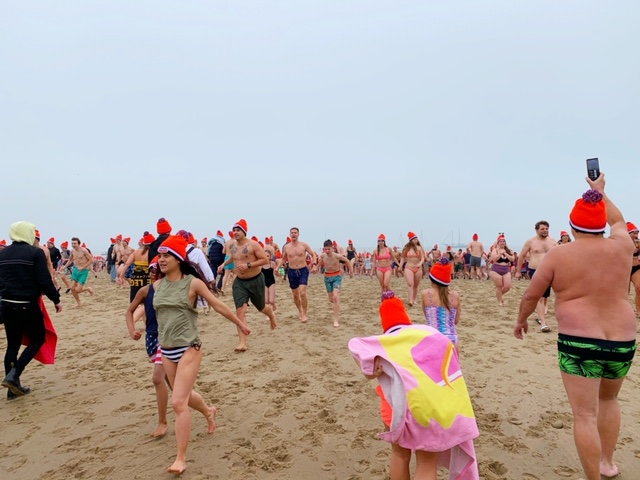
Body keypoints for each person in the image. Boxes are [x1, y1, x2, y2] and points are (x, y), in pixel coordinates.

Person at [514, 173, 636, 480]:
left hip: (579, 342)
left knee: (584, 415)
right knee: (608, 400)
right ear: (601, 224)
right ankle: (607, 463)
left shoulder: (559, 254)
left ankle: (593, 476)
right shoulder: (623, 246)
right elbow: (619, 221)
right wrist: (600, 193)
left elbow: (531, 294)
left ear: (571, 226)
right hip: (622, 341)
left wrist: (521, 320)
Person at [348, 291, 479, 480]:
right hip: (428, 407)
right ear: (405, 317)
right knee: (426, 461)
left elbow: (357, 350)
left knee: (399, 455)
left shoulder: (381, 344)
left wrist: (367, 370)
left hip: (394, 410)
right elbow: (451, 361)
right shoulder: (429, 333)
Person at [153, 234, 250, 475]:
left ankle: (181, 458)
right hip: (166, 350)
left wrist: (240, 323)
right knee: (182, 395)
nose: (161, 260)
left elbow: (218, 305)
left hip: (189, 348)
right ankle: (208, 412)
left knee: (178, 402)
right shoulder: (156, 285)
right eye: (160, 256)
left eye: (166, 256)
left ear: (178, 258)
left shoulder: (193, 284)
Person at [0, 221, 63, 399]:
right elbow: (44, 281)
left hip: (6, 304)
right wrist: (56, 300)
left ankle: (12, 390)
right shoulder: (34, 253)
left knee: (12, 344)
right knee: (38, 339)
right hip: (27, 304)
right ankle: (14, 375)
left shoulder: (2, 254)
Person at [125, 256, 169, 438]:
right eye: (151, 271)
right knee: (175, 387)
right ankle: (207, 411)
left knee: (157, 379)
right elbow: (129, 311)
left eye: (156, 270)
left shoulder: (173, 289)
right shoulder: (145, 291)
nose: (153, 274)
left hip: (168, 340)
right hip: (151, 340)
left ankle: (162, 423)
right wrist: (132, 330)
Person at [218, 219, 277, 351]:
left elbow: (265, 260)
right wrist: (224, 264)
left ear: (244, 231)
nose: (235, 233)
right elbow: (233, 257)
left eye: (238, 230)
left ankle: (271, 315)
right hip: (239, 282)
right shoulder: (232, 246)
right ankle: (242, 342)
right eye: (234, 230)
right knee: (240, 311)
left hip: (255, 280)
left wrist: (249, 265)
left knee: (261, 307)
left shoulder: (253, 245)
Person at [515, 221, 557, 332]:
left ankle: (540, 316)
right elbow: (522, 256)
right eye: (543, 229)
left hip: (550, 271)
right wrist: (518, 271)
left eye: (547, 228)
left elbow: (559, 255)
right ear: (537, 230)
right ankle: (543, 322)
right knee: (539, 297)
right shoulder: (531, 242)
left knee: (544, 298)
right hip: (535, 270)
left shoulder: (553, 242)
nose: (545, 230)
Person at [276, 226, 317, 322]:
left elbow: (313, 254)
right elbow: (283, 259)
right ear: (290, 235)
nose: (293, 234)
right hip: (292, 271)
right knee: (295, 294)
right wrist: (277, 268)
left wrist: (314, 264)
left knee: (302, 293)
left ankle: (305, 314)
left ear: (298, 234)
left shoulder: (304, 245)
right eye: (292, 233)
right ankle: (300, 311)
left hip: (303, 270)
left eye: (295, 232)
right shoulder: (286, 247)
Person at [421, 257, 461, 351]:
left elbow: (428, 317)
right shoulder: (455, 295)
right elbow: (456, 321)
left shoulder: (426, 294)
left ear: (432, 279)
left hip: (433, 338)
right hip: (451, 340)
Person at [317, 239, 353, 327]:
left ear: (332, 248)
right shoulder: (323, 256)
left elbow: (347, 261)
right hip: (327, 277)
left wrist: (351, 271)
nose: (327, 251)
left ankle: (336, 320)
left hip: (337, 277)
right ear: (324, 249)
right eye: (326, 249)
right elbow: (320, 261)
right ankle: (337, 304)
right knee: (331, 299)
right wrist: (316, 267)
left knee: (336, 297)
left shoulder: (337, 256)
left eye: (329, 249)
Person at [63, 237, 95, 306]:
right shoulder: (72, 251)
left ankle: (88, 289)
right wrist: (64, 266)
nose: (73, 245)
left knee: (78, 290)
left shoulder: (84, 251)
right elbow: (70, 260)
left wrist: (83, 267)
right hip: (76, 269)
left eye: (75, 243)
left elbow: (91, 260)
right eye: (72, 243)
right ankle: (78, 302)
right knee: (72, 288)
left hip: (84, 270)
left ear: (78, 244)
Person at [400, 232, 426, 307]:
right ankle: (410, 300)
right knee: (410, 284)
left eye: (416, 239)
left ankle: (414, 299)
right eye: (414, 239)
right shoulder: (406, 249)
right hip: (409, 267)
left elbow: (422, 258)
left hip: (418, 268)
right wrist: (400, 265)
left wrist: (420, 263)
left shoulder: (419, 248)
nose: (416, 240)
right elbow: (403, 257)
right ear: (411, 240)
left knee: (415, 285)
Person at [488, 235, 515, 306]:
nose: (502, 242)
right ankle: (500, 302)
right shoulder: (495, 250)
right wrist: (500, 253)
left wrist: (505, 253)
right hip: (496, 269)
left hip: (506, 269)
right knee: (499, 286)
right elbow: (494, 259)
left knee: (508, 286)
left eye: (503, 241)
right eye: (500, 241)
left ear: (505, 243)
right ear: (498, 243)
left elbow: (512, 259)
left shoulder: (509, 250)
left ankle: (499, 295)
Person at [627, 221, 640, 316]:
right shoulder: (622, 243)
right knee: (624, 293)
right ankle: (624, 312)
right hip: (624, 269)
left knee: (639, 288)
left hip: (636, 267)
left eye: (637, 232)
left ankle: (639, 311)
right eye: (634, 233)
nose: (636, 235)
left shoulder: (638, 243)